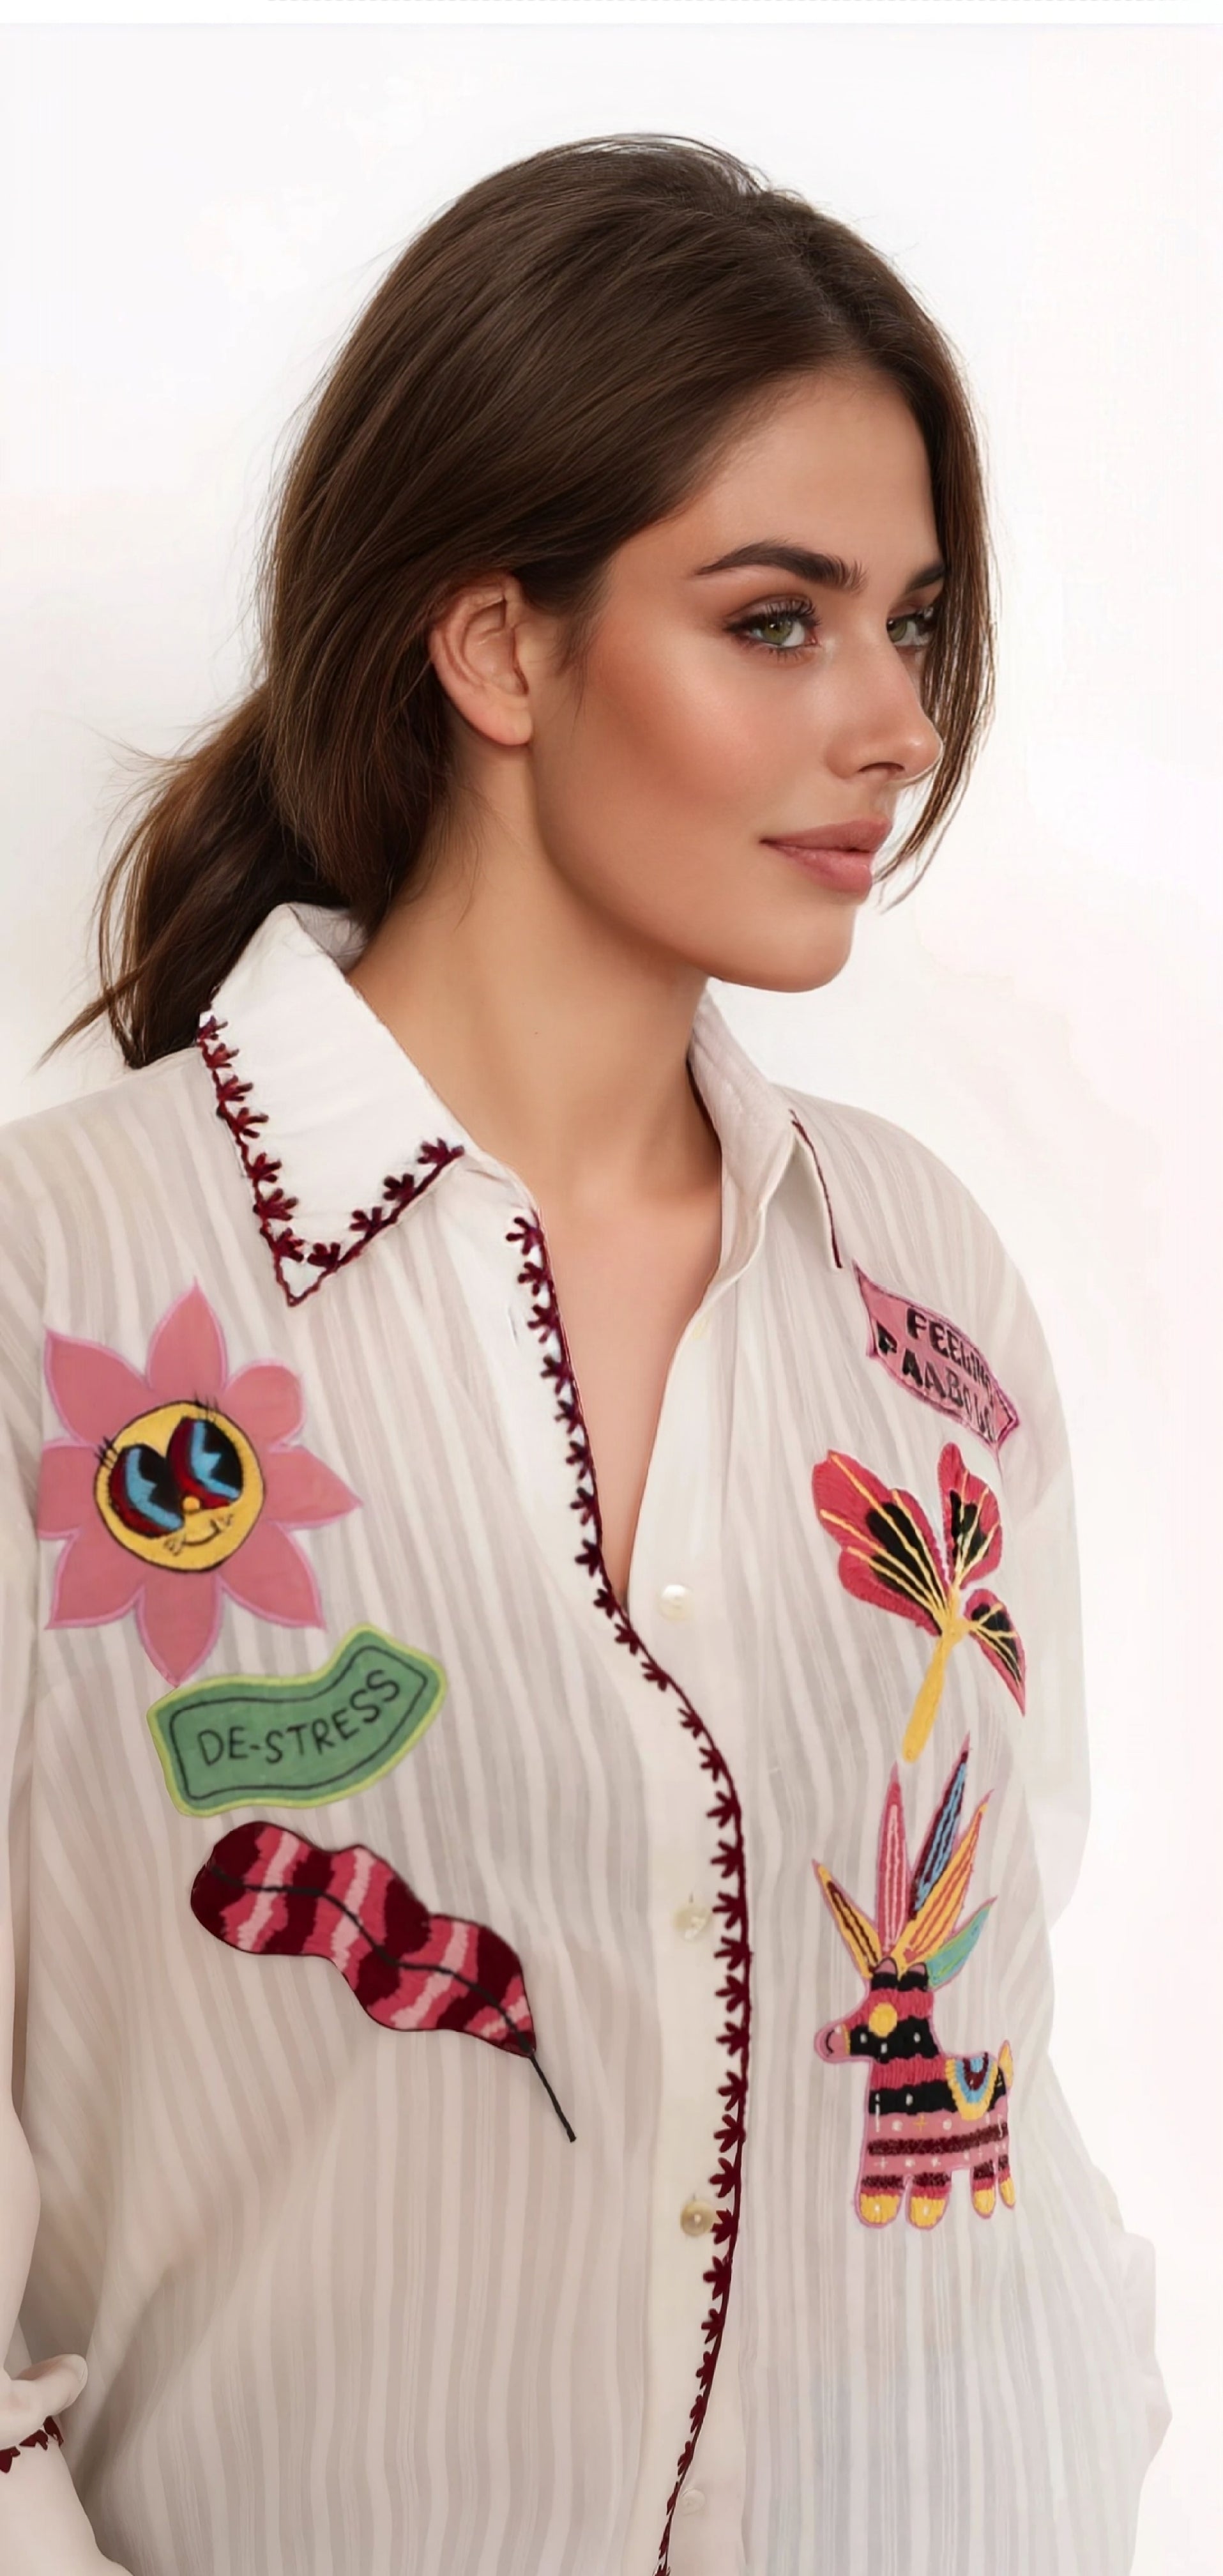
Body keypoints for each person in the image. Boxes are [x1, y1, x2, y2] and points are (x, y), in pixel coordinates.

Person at [0, 134, 1169, 2576]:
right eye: (777, 619)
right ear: (500, 647)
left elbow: (988, 2037)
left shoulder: (915, 1296)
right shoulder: (59, 1293)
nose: (891, 725)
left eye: (915, 626)